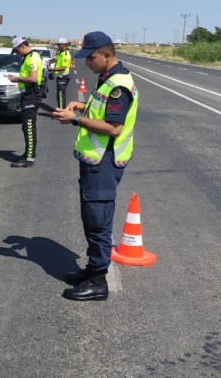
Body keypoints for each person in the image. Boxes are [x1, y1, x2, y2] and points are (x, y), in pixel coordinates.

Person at [52, 31, 138, 301]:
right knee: (91, 218)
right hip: (95, 162)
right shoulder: (108, 79)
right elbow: (102, 111)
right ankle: (92, 269)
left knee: (98, 221)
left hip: (104, 164)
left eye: (91, 58)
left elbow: (113, 127)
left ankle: (99, 280)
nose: (86, 63)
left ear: (107, 55)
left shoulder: (118, 86)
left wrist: (75, 120)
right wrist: (83, 106)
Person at [7, 36, 43, 168]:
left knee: (29, 127)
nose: (16, 54)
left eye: (16, 51)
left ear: (22, 46)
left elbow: (33, 78)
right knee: (26, 126)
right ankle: (29, 153)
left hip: (31, 95)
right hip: (27, 95)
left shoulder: (32, 57)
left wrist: (17, 78)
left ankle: (29, 158)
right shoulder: (27, 57)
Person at [52, 38, 72, 108]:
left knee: (61, 95)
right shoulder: (61, 53)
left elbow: (63, 67)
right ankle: (61, 109)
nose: (58, 46)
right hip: (60, 77)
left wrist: (52, 69)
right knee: (59, 95)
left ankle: (62, 111)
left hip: (63, 77)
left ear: (64, 45)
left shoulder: (65, 54)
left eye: (59, 45)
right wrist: (46, 62)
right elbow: (54, 59)